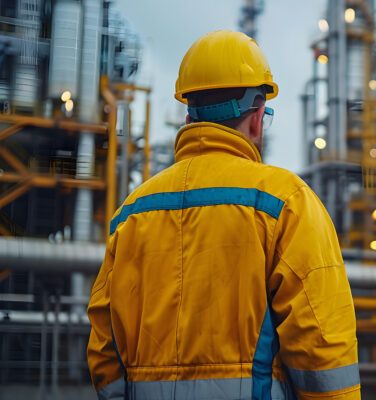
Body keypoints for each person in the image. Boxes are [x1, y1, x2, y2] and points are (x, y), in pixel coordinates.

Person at [86, 30, 360, 400]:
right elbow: (324, 352)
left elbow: (104, 350)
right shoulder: (286, 204)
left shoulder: (130, 215)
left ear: (189, 116)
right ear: (258, 117)